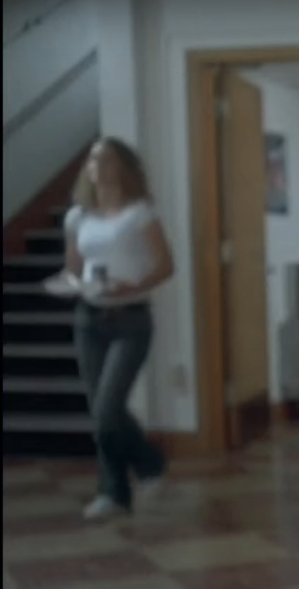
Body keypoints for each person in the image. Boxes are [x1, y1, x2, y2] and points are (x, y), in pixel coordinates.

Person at [53, 137, 174, 520]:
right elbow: (73, 270)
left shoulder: (140, 213)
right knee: (101, 411)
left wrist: (132, 286)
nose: (97, 166)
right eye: (92, 159)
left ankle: (150, 462)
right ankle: (115, 492)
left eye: (106, 159)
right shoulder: (77, 217)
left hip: (131, 319)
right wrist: (68, 285)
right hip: (89, 320)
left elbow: (165, 265)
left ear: (123, 167)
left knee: (108, 409)